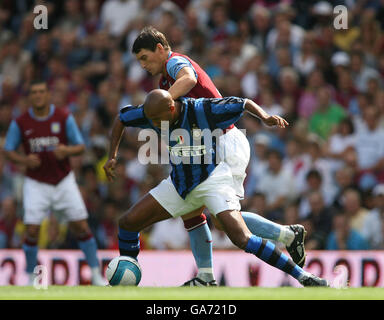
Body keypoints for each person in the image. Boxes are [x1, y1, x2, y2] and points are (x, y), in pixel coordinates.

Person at [129, 26, 307, 285]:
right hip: (211, 145)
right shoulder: (164, 82)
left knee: (217, 215)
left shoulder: (174, 63)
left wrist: (163, 102)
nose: (143, 65)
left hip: (225, 141)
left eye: (144, 57)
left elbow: (189, 78)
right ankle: (284, 237)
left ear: (159, 48)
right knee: (215, 217)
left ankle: (209, 275)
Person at [103, 89, 329, 287]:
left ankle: (303, 277)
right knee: (127, 223)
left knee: (242, 238)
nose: (154, 124)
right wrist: (112, 156)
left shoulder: (202, 109)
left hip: (212, 181)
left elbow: (243, 103)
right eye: (150, 120)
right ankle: (128, 278)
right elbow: (121, 117)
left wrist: (265, 117)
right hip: (179, 185)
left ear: (172, 107)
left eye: (158, 119)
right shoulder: (152, 113)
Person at [3, 80, 105, 286]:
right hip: (36, 182)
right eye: (34, 92)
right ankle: (31, 276)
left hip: (63, 181)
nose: (38, 95)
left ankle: (95, 274)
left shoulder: (63, 117)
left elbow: (80, 146)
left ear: (48, 95)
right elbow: (8, 150)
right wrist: (24, 160)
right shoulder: (21, 122)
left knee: (81, 227)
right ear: (30, 97)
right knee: (31, 230)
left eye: (42, 91)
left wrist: (66, 151)